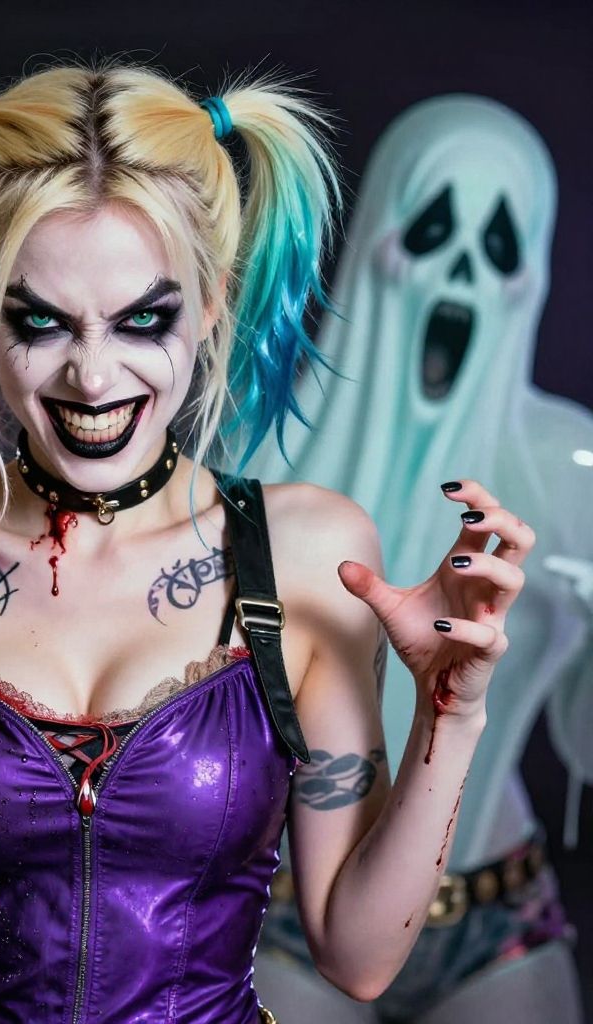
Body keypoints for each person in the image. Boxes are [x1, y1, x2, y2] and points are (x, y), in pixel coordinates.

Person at [0, 64, 531, 1024]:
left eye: (143, 320)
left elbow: (359, 958)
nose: (92, 374)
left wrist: (450, 718)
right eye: (39, 322)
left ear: (210, 303)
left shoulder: (307, 552)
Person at [246, 95, 586, 1023]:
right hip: (285, 906)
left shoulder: (567, 470)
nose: (463, 270)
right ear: (379, 235)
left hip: (493, 908)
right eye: (433, 229)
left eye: (499, 244)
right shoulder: (256, 444)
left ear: (530, 276)